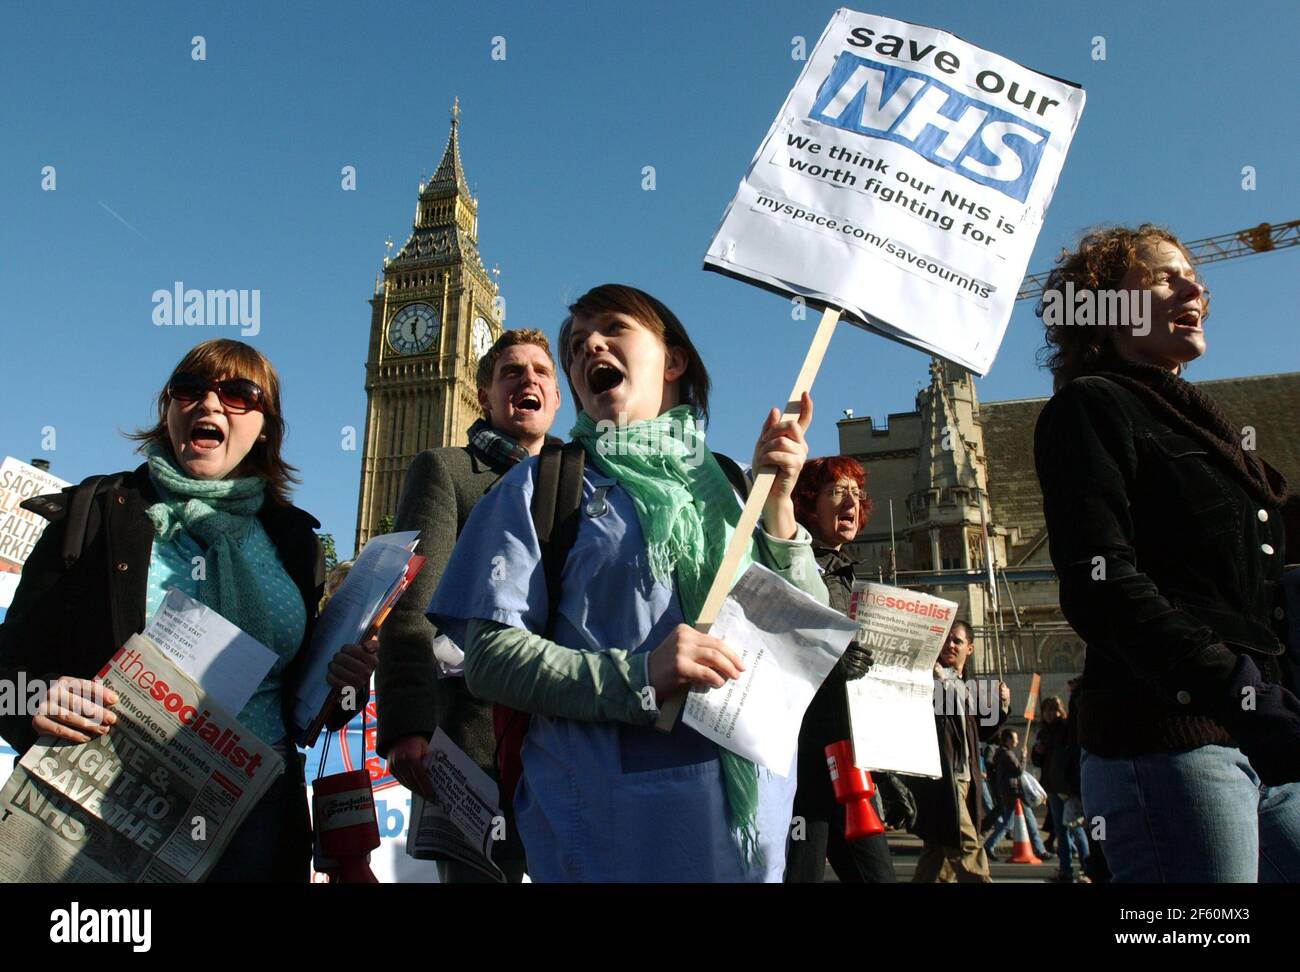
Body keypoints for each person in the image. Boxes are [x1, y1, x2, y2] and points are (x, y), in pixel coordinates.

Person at [427, 284, 828, 881]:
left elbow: (803, 639)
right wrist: (638, 677)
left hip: (751, 831)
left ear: (673, 361)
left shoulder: (732, 484)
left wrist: (780, 506)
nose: (590, 344)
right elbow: (488, 660)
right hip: (608, 828)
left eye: (614, 328)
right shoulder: (538, 489)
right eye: (576, 344)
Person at [0, 339, 376, 881]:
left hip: (255, 820)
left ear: (265, 426)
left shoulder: (293, 541)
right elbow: (9, 670)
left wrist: (344, 684)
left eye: (238, 394)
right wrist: (36, 697)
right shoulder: (96, 514)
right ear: (168, 410)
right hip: (110, 810)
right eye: (190, 390)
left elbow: (306, 703)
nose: (210, 404)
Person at [1034, 224, 1300, 882]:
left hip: (1271, 743)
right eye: (1164, 276)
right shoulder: (1092, 407)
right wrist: (1233, 685)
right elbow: (1101, 584)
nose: (1195, 288)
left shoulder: (1216, 436)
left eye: (1196, 279)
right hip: (1169, 745)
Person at [376, 328, 561, 883]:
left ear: (556, 397)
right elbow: (412, 606)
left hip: (568, 735)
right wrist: (408, 726)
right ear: (482, 395)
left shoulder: (584, 481)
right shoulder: (448, 469)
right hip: (473, 740)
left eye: (541, 372)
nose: (528, 379)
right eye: (511, 371)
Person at [784, 455, 913, 883]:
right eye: (837, 492)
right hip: (801, 768)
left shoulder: (851, 579)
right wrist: (829, 659)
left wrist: (886, 772)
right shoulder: (788, 563)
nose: (851, 502)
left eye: (857, 494)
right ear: (807, 503)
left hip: (851, 767)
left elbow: (865, 693)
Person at [906, 620, 1009, 882]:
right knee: (966, 845)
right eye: (946, 640)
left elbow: (979, 733)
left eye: (957, 641)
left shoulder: (967, 685)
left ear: (970, 649)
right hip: (943, 779)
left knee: (937, 858)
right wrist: (937, 681)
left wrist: (1002, 709)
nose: (950, 645)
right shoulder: (927, 679)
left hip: (966, 778)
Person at [1032, 696, 1090, 881]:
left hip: (1066, 786)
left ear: (1059, 711)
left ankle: (1087, 866)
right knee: (1061, 830)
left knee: (1075, 827)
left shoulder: (1066, 729)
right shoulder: (1043, 732)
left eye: (1052, 710)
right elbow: (1038, 761)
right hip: (1051, 785)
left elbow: (1071, 756)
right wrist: (1036, 752)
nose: (1049, 714)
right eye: (1046, 710)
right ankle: (1065, 870)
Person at [981, 728, 1048, 862]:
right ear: (1008, 740)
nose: (1017, 741)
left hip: (1010, 792)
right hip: (1014, 792)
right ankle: (989, 845)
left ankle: (1040, 850)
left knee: (1025, 822)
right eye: (1015, 738)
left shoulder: (1002, 753)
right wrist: (1023, 757)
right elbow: (1019, 770)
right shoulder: (1007, 755)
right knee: (1015, 823)